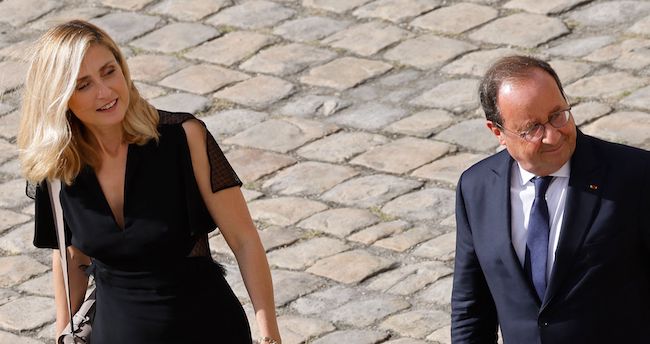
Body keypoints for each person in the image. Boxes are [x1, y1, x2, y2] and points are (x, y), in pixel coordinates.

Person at [18, 20, 281, 344]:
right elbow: (70, 255)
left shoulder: (183, 138)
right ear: (60, 97)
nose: (105, 91)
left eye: (109, 71)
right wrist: (64, 328)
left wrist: (269, 335)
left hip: (205, 330)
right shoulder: (58, 167)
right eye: (83, 84)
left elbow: (244, 239)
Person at [451, 55, 650, 343]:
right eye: (532, 128)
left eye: (558, 114)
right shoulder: (477, 189)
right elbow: (471, 308)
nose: (553, 136)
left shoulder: (635, 177)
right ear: (498, 132)